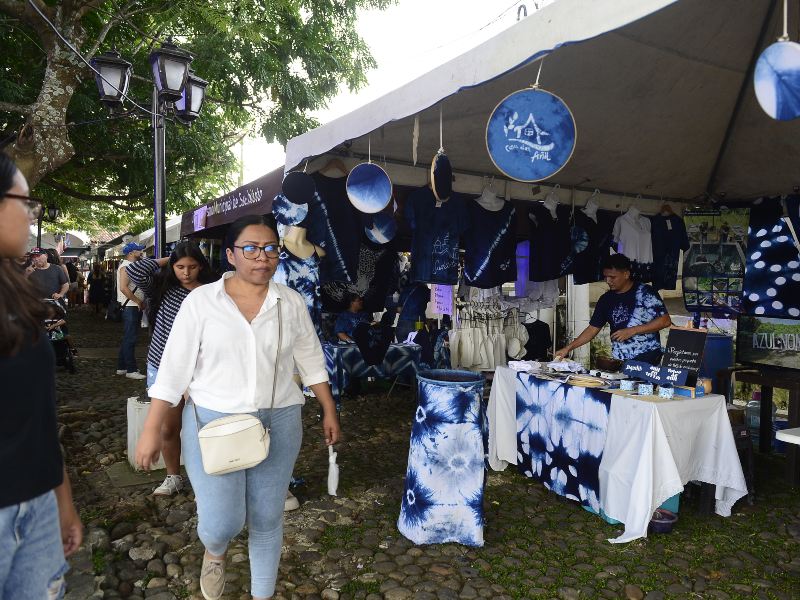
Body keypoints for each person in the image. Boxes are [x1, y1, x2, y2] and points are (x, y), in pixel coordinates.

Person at [135, 214, 340, 600]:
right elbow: (174, 370)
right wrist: (152, 428)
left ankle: (262, 594)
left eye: (270, 249)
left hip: (278, 421)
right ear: (230, 254)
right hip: (214, 424)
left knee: (267, 517)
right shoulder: (201, 302)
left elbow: (310, 360)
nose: (262, 257)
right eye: (251, 248)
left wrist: (328, 408)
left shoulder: (290, 302)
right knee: (220, 521)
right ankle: (215, 553)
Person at [0, 153, 82, 598]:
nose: (32, 217)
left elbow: (39, 418)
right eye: (25, 203)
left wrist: (62, 503)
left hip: (35, 506)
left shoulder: (15, 291)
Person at [126, 242, 217, 496]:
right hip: (162, 364)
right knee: (168, 426)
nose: (186, 272)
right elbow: (134, 271)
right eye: (180, 267)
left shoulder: (212, 291)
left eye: (192, 266)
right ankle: (173, 475)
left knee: (205, 425)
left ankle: (209, 476)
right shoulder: (161, 288)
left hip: (202, 367)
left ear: (201, 266)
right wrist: (168, 258)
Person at [555, 254, 672, 365]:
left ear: (626, 274)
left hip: (648, 356)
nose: (608, 281)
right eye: (605, 276)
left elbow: (665, 321)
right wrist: (568, 348)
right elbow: (592, 329)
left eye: (612, 277)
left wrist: (632, 330)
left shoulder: (645, 292)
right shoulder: (606, 299)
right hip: (619, 360)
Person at [116, 242, 147, 379]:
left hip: (131, 306)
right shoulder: (126, 267)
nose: (141, 252)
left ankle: (122, 367)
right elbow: (123, 288)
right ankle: (131, 369)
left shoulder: (128, 266)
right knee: (131, 338)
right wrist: (138, 300)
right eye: (139, 250)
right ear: (131, 253)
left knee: (128, 337)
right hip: (131, 306)